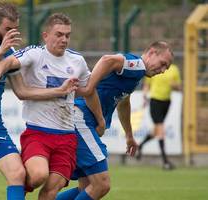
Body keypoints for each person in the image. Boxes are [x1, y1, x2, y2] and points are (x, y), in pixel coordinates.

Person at [0, 3, 79, 199]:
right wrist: (0, 52)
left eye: (14, 29)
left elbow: (22, 91)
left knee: (18, 174)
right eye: (7, 29)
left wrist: (58, 91)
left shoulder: (11, 50)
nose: (11, 34)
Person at [0, 13, 105, 200]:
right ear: (45, 36)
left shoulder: (77, 61)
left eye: (67, 35)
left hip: (66, 136)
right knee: (38, 175)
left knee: (51, 189)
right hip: (38, 133)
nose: (64, 39)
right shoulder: (35, 54)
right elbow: (10, 61)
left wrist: (100, 119)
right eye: (59, 34)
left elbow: (89, 91)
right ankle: (20, 183)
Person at [56, 41, 174, 200]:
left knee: (87, 187)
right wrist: (90, 88)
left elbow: (123, 104)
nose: (163, 70)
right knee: (102, 184)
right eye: (162, 64)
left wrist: (129, 136)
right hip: (82, 118)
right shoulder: (137, 65)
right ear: (152, 52)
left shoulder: (134, 76)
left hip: (81, 119)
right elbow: (107, 60)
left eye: (166, 68)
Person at [136, 63, 181, 170]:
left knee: (156, 130)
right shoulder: (155, 68)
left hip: (166, 102)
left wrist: (174, 85)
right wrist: (144, 95)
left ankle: (140, 146)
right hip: (155, 101)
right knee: (160, 129)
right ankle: (165, 162)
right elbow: (147, 84)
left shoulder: (174, 69)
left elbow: (178, 87)